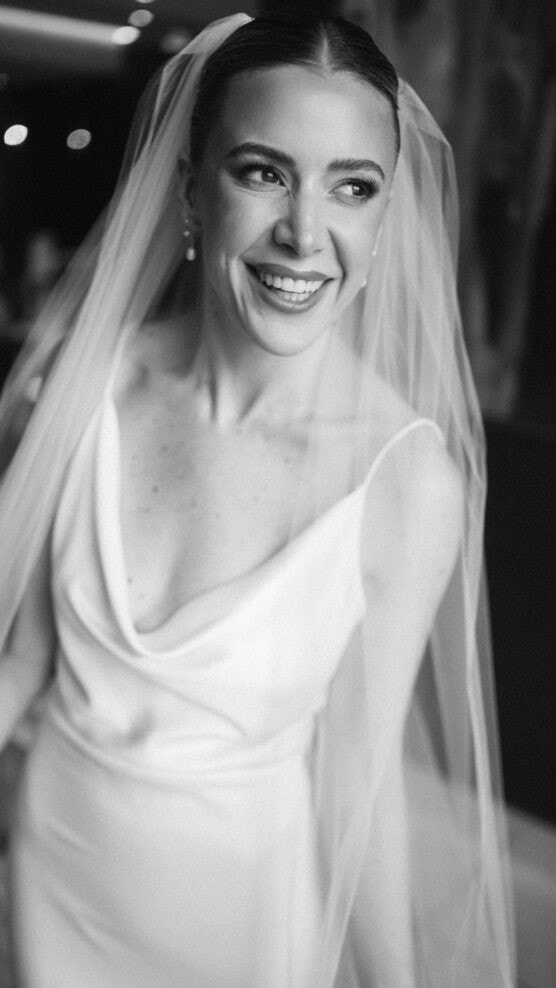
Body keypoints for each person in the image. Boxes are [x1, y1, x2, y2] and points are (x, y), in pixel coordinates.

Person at [0, 12, 515, 987]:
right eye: (263, 171)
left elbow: (359, 782)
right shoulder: (83, 389)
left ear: (385, 215)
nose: (305, 232)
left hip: (234, 929)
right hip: (53, 876)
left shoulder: (404, 481)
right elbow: (22, 659)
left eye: (351, 187)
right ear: (191, 188)